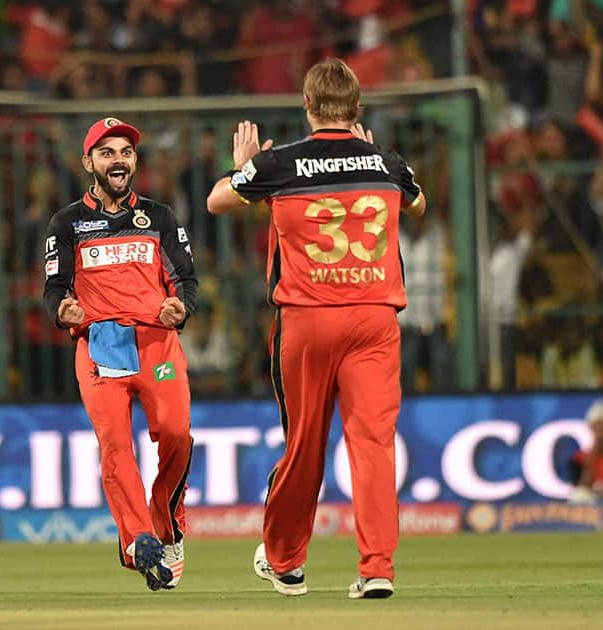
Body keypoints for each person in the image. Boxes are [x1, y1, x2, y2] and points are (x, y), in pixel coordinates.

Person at [206, 58, 427, 600]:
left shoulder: (281, 163)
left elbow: (216, 202)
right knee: (374, 444)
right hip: (375, 319)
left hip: (307, 319)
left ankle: (286, 562)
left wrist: (246, 168)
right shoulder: (388, 163)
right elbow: (419, 204)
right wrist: (372, 157)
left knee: (305, 443)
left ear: (307, 107)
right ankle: (376, 568)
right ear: (358, 109)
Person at [43, 117, 198, 591]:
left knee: (176, 433)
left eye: (126, 152)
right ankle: (139, 541)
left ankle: (165, 519)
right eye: (107, 152)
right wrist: (64, 310)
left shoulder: (161, 217)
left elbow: (187, 281)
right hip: (101, 344)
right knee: (116, 447)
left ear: (135, 162)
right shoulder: (67, 223)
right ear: (88, 162)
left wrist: (180, 306)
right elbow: (54, 288)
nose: (119, 160)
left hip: (156, 342)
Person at [568, 399, 603, 503]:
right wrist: (596, 448)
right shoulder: (578, 458)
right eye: (598, 426)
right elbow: (582, 486)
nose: (602, 430)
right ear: (591, 427)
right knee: (579, 495)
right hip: (593, 501)